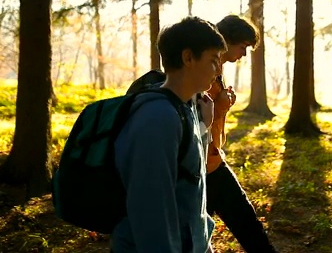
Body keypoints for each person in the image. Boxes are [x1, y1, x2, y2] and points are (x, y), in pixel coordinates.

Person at [110, 16, 226, 252]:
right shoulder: (157, 118)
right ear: (188, 58)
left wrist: (205, 125)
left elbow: (191, 174)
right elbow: (152, 211)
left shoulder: (186, 107)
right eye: (213, 60)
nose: (218, 70)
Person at [205, 15, 278, 253]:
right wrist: (221, 105)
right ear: (227, 40)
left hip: (212, 160)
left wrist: (223, 104)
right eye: (243, 47)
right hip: (203, 165)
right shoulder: (204, 70)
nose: (244, 54)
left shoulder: (216, 71)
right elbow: (197, 118)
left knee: (235, 223)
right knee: (244, 222)